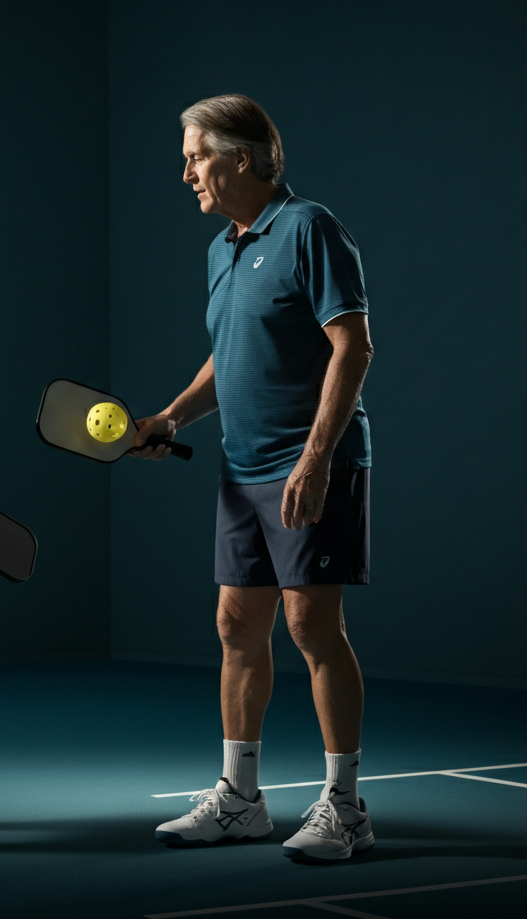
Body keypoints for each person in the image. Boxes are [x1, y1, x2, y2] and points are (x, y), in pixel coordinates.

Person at [137, 96, 375, 862]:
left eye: (196, 157)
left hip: (310, 464)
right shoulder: (223, 249)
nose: (186, 174)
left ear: (241, 158)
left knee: (312, 628)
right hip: (241, 472)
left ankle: (346, 807)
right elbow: (229, 354)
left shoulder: (309, 229)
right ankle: (242, 799)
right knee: (237, 627)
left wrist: (314, 459)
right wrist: (172, 416)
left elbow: (354, 347)